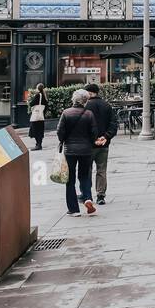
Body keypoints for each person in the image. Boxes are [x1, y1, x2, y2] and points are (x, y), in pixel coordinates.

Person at [57, 89, 105, 217]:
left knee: (70, 179)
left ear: (74, 99)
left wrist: (64, 140)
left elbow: (60, 132)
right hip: (86, 150)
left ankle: (73, 210)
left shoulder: (66, 113)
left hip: (70, 151)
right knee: (84, 175)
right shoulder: (89, 114)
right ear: (85, 101)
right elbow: (94, 133)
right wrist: (92, 142)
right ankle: (87, 198)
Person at [82, 83, 117, 205]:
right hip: (104, 143)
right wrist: (106, 137)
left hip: (89, 144)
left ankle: (87, 195)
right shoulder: (106, 105)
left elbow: (83, 125)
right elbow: (113, 124)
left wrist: (91, 139)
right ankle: (101, 195)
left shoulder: (85, 106)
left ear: (89, 93)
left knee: (87, 170)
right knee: (101, 170)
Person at [27, 83, 49, 150]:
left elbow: (32, 103)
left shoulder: (37, 95)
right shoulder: (44, 96)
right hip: (41, 116)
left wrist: (29, 102)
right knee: (40, 130)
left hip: (36, 116)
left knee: (35, 130)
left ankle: (38, 145)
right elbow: (46, 106)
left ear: (37, 88)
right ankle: (39, 144)